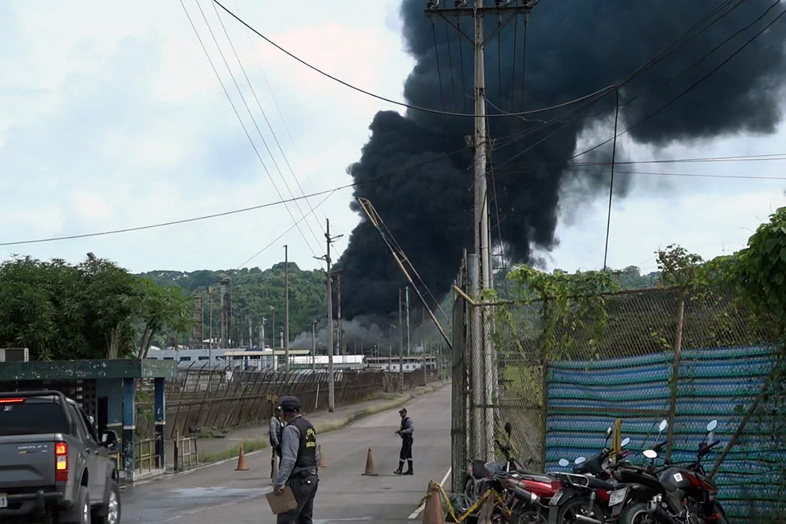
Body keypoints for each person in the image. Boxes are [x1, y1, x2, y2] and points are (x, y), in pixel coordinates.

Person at [274, 395, 319, 524]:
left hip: (297, 481)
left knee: (285, 520)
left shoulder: (291, 429)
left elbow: (289, 459)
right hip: (311, 479)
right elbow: (315, 454)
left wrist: (279, 483)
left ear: (284, 412)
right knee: (305, 519)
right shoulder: (309, 426)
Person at [394, 407, 414, 475]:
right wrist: (399, 431)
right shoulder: (403, 420)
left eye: (402, 413)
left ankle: (400, 469)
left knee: (402, 454)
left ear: (405, 413)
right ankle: (410, 470)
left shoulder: (408, 420)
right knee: (409, 455)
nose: (401, 414)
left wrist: (404, 431)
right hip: (406, 439)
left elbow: (412, 428)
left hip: (408, 439)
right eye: (400, 413)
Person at [269, 405, 283, 479]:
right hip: (276, 441)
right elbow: (273, 431)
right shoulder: (273, 419)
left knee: (279, 456)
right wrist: (275, 441)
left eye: (280, 411)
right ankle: (273, 473)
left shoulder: (280, 419)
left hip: (280, 440)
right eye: (278, 411)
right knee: (275, 457)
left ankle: (278, 471)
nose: (279, 412)